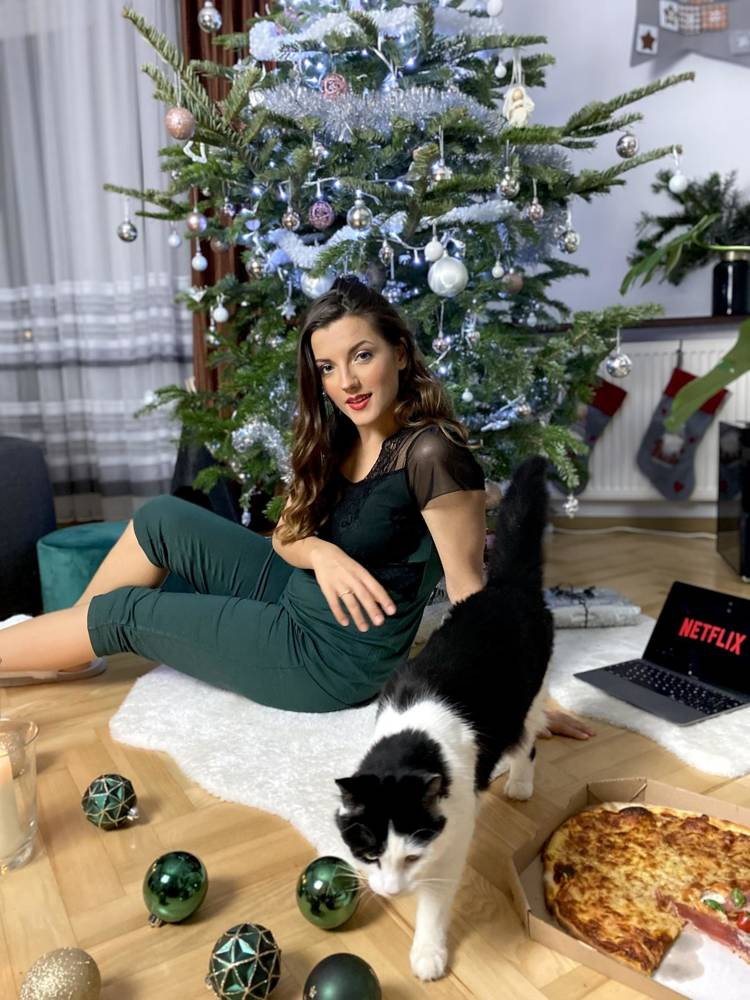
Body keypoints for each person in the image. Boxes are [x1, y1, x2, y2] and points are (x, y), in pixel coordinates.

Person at [0, 277, 593, 736]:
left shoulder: (433, 454)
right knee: (161, 517)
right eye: (328, 367)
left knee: (125, 613)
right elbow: (286, 535)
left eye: (362, 355)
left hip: (325, 657)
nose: (347, 382)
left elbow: (470, 594)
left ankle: (57, 642)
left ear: (400, 353)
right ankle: (66, 654)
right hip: (294, 588)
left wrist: (522, 703)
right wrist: (324, 556)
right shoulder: (339, 434)